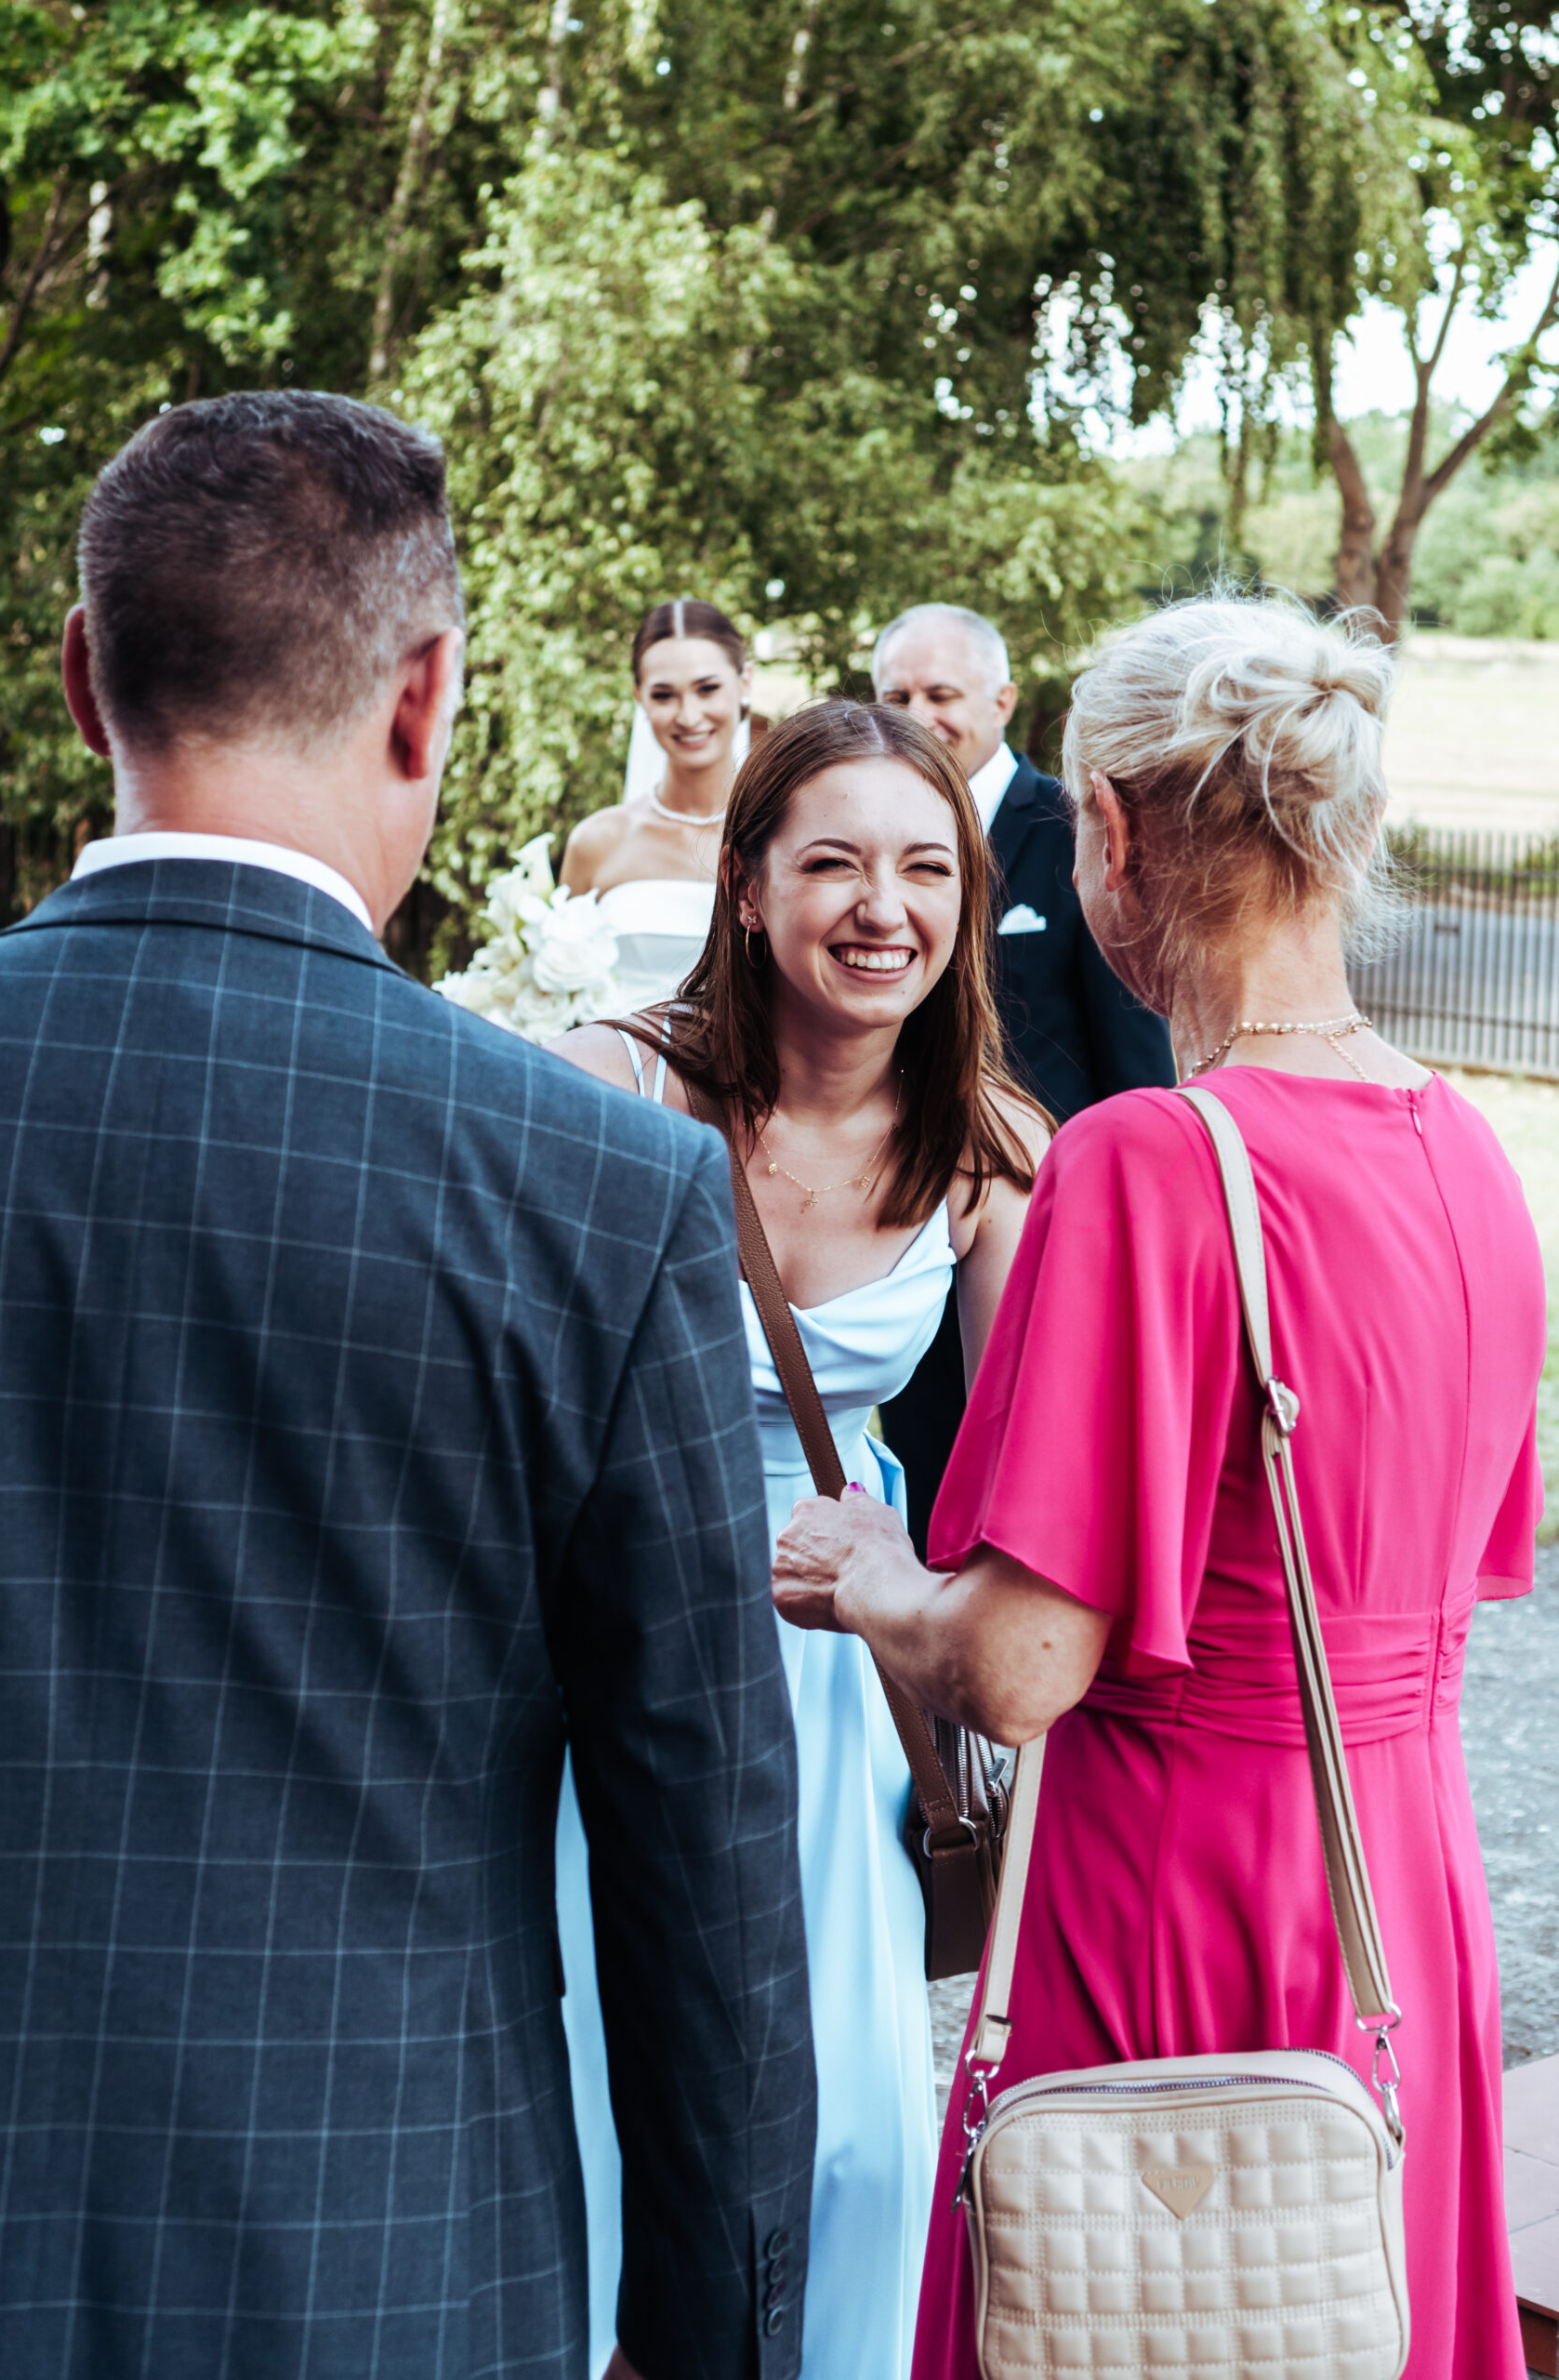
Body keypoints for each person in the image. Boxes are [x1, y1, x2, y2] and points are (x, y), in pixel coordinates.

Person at [0, 390, 816, 2380]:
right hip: (382, 2260)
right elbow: (704, 1869)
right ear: (426, 695)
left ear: (88, 674)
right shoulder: (594, 1187)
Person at [773, 595, 1546, 2380]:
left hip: (1173, 1895)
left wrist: (869, 1569)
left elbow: (1020, 1666)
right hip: (1397, 1895)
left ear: (1107, 833)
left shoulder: (1148, 1161)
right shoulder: (1465, 1153)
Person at [550, 700, 1048, 2380]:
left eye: (924, 867)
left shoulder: (987, 1152)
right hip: (617, 1619)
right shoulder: (613, 1085)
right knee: (598, 2083)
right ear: (746, 884)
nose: (879, 905)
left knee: (843, 2120)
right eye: (830, 860)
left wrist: (958, 1631)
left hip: (844, 1667)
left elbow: (1047, 1473)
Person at [872, 602, 1177, 1554]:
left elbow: (1133, 1056)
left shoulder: (1071, 831)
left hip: (1051, 1220)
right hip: (907, 1216)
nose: (919, 714)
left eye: (942, 694)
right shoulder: (876, 835)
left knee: (1036, 1485)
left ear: (1002, 699)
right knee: (926, 1476)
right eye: (895, 696)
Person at [562, 599, 760, 1010]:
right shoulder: (596, 841)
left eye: (707, 689)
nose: (688, 716)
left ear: (745, 683)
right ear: (639, 697)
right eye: (664, 695)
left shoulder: (780, 832)